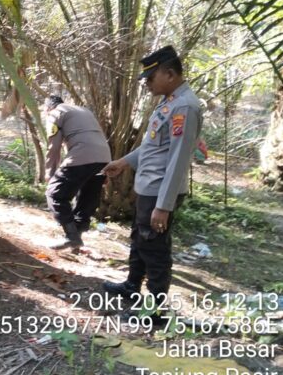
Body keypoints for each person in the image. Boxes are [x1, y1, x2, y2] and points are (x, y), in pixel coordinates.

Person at [102, 45, 202, 306]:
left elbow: (179, 159)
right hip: (149, 187)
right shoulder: (169, 103)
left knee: (155, 249)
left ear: (170, 74)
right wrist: (124, 162)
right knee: (140, 239)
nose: (146, 83)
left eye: (150, 77)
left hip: (160, 190)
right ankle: (132, 286)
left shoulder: (184, 107)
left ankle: (155, 310)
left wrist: (163, 206)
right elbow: (153, 146)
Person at [44, 95, 112, 250]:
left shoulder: (55, 113)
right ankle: (76, 241)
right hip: (104, 157)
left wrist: (50, 172)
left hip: (83, 154)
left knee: (54, 194)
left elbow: (53, 147)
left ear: (48, 108)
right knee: (86, 198)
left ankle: (72, 237)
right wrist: (104, 168)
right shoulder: (83, 111)